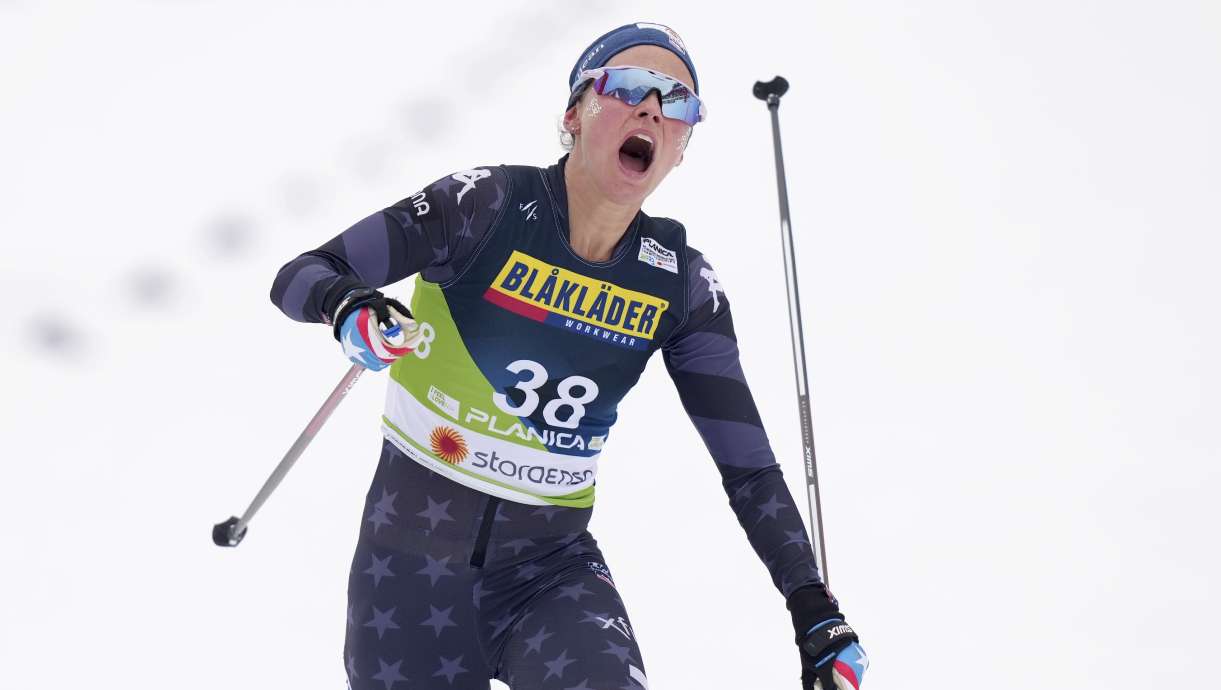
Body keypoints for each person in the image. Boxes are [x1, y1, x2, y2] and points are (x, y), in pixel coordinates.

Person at [270, 22, 867, 690]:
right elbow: (302, 273)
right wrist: (351, 306)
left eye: (677, 103)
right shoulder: (483, 206)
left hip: (549, 576)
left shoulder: (680, 284)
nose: (651, 109)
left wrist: (813, 605)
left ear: (680, 149)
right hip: (410, 578)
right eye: (631, 87)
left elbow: (749, 469)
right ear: (574, 114)